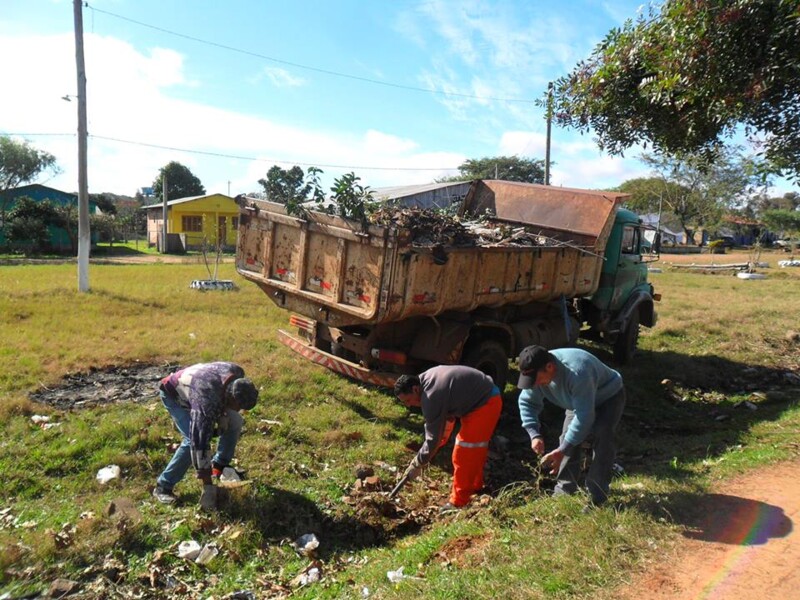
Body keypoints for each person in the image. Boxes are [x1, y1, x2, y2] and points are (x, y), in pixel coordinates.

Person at [517, 345, 625, 509]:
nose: (535, 384)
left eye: (536, 379)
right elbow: (527, 402)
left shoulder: (577, 372)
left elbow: (584, 417)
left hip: (607, 397)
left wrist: (563, 450)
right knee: (566, 440)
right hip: (578, 402)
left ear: (550, 367)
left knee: (603, 438)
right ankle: (564, 493)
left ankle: (597, 498)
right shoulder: (538, 376)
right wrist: (534, 434)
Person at [152, 361, 259, 511]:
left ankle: (220, 465)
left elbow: (221, 391)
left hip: (203, 385)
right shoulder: (205, 401)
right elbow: (199, 441)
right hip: (174, 393)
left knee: (235, 421)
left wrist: (223, 414)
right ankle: (163, 486)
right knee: (191, 440)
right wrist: (207, 484)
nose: (240, 409)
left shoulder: (237, 373)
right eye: (238, 406)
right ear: (231, 397)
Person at [393, 365, 502, 511]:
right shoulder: (425, 378)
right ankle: (475, 486)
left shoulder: (430, 395)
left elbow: (432, 439)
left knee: (464, 453)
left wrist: (418, 463)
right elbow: (446, 414)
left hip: (485, 403)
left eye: (407, 400)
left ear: (414, 389)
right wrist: (438, 441)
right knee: (474, 448)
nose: (408, 405)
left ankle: (458, 502)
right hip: (482, 397)